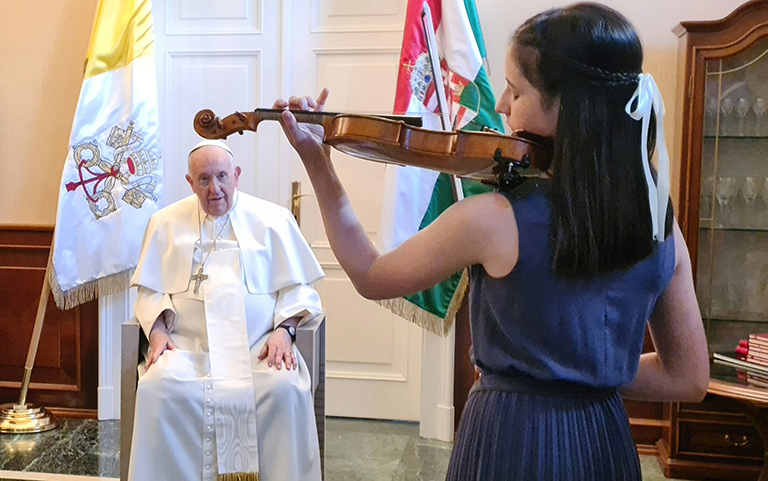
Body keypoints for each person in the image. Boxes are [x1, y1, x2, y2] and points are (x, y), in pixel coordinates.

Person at [273, 3, 709, 480]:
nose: (500, 104)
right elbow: (688, 377)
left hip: (511, 438)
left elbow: (371, 275)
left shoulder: (494, 218)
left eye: (516, 90)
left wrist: (318, 161)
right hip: (603, 439)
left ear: (568, 107)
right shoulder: (660, 225)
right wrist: (591, 374)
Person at [127, 139, 324, 481]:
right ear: (190, 183)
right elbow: (149, 291)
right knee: (157, 388)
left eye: (222, 177)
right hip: (189, 351)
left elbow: (299, 289)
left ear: (237, 176)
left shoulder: (273, 220)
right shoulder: (164, 223)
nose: (214, 189)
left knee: (285, 390)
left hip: (257, 351)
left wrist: (284, 330)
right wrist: (157, 330)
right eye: (203, 179)